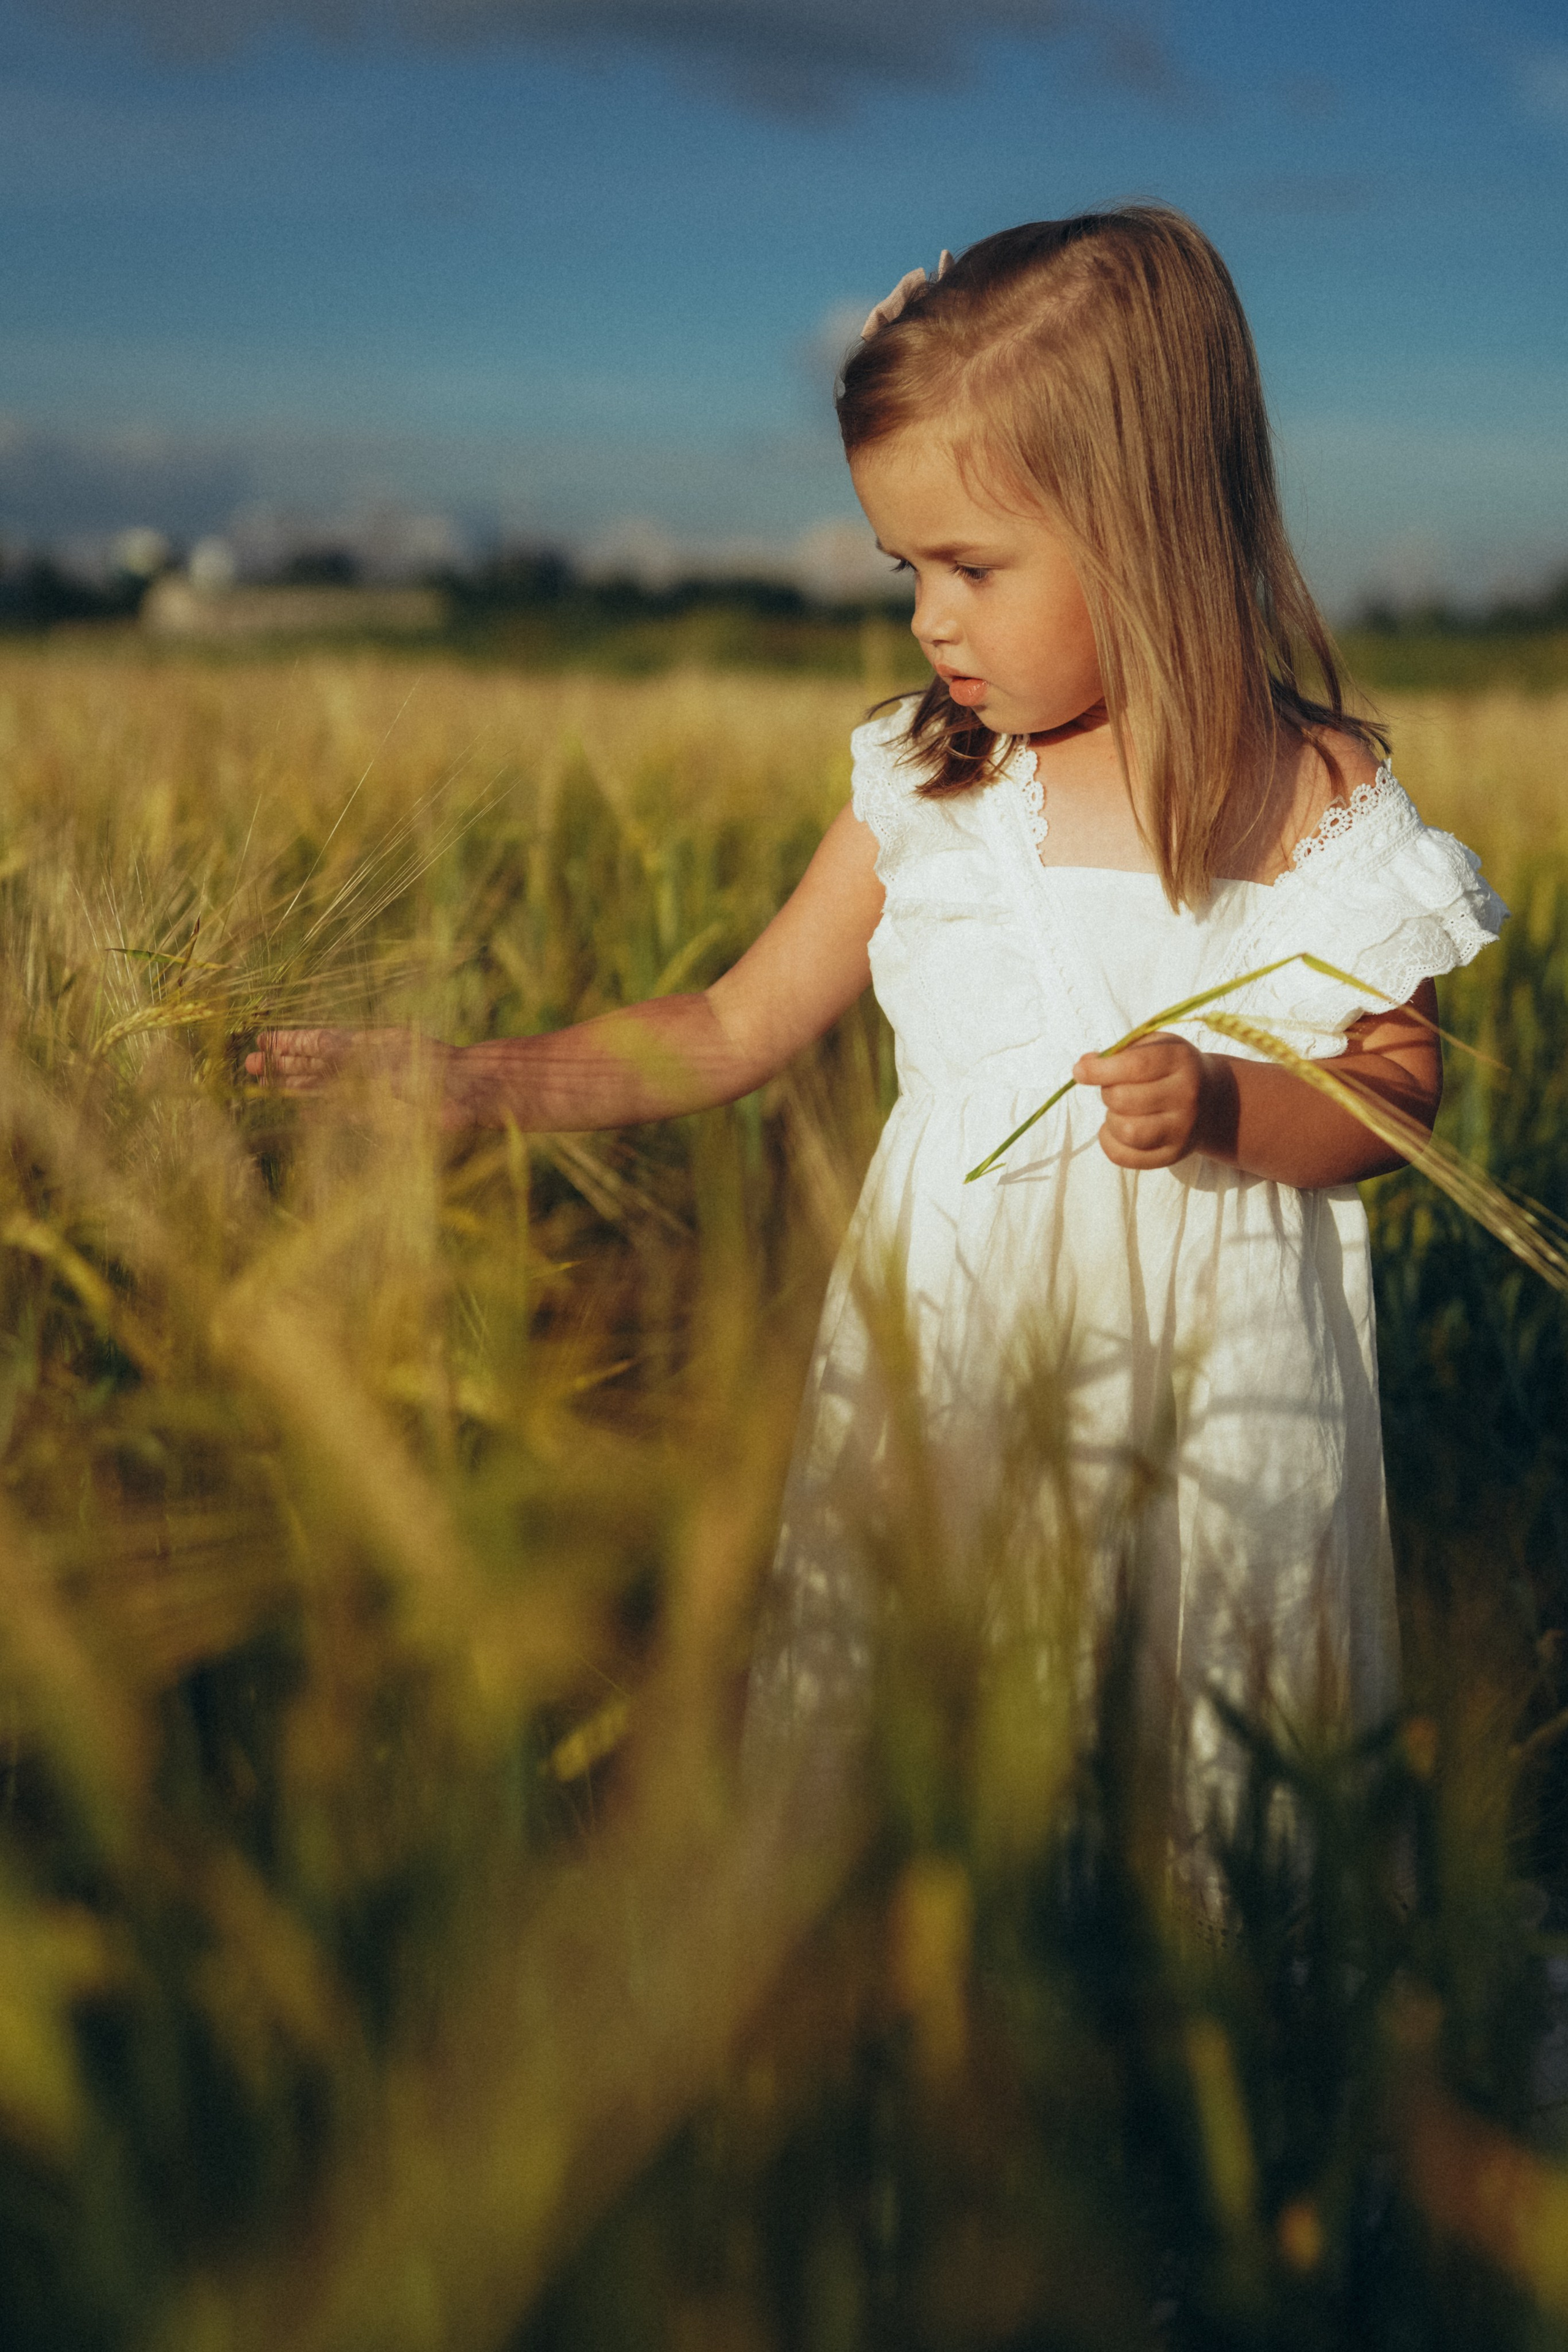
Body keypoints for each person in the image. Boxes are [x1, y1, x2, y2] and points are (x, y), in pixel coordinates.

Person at [250, 209, 1506, 1875]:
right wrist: (478, 1080)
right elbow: (727, 1024)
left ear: (1147, 530)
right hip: (959, 1365)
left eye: (973, 567)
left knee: (1199, 1757)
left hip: (1213, 1398)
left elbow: (1396, 1094)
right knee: (940, 1730)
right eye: (903, 567)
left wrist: (1225, 1103)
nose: (929, 619)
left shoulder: (1312, 798)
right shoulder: (930, 790)